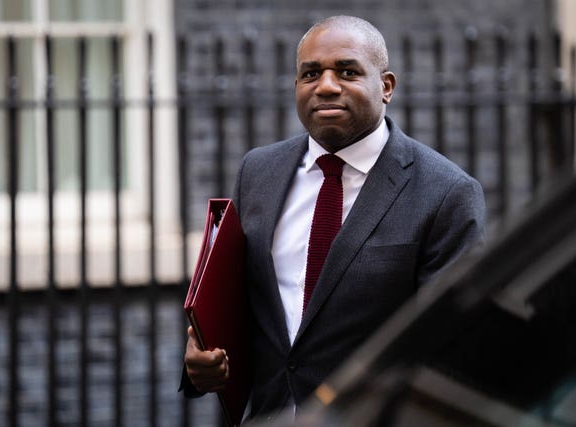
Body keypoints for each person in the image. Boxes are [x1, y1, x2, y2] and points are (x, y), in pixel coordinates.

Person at [181, 15, 486, 421]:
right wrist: (203, 361)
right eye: (311, 74)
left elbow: (454, 347)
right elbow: (246, 310)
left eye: (347, 71)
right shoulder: (258, 171)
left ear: (386, 87)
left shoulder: (446, 193)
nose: (326, 86)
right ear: (296, 87)